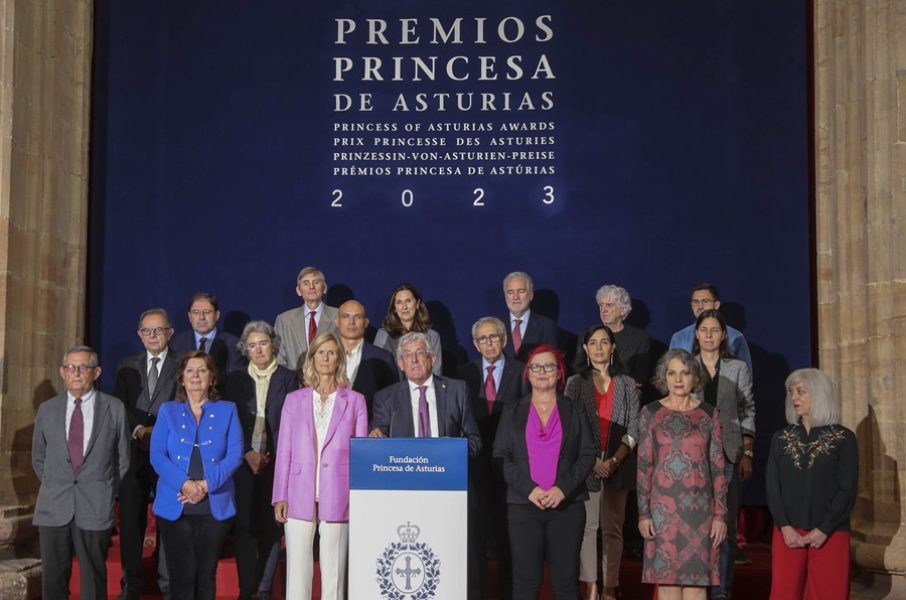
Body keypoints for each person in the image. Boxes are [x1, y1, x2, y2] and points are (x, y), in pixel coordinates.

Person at [493, 344, 596, 599]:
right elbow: (500, 457)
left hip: (567, 508)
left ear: (559, 372)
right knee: (525, 583)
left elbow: (587, 454)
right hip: (523, 507)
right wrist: (530, 490)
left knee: (565, 583)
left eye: (549, 366)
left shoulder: (574, 409)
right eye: (535, 367)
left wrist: (562, 488)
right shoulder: (512, 410)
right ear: (527, 373)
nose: (542, 371)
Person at [272, 332, 368, 600]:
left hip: (339, 493)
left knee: (334, 572)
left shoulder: (355, 400)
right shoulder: (294, 400)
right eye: (320, 352)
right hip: (297, 492)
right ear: (311, 358)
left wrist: (357, 497)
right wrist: (280, 494)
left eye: (332, 352)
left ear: (339, 359)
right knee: (298, 570)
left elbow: (360, 453)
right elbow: (284, 451)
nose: (326, 358)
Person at [32, 345, 130, 600]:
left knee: (93, 579)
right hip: (53, 507)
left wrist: (105, 490)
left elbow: (122, 460)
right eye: (70, 367)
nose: (76, 372)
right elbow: (39, 458)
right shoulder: (46, 410)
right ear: (62, 372)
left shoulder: (114, 408)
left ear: (96, 372)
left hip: (95, 504)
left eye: (83, 367)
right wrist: (57, 484)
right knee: (53, 580)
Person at [150, 351, 244, 600]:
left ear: (212, 377)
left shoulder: (228, 410)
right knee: (180, 576)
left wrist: (204, 484)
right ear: (181, 378)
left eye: (202, 370)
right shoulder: (167, 411)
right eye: (190, 370)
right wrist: (185, 484)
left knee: (205, 575)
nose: (195, 375)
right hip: (175, 505)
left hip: (213, 507)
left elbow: (235, 455)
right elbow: (157, 455)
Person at [637, 349, 727, 600]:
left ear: (694, 377)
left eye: (685, 373)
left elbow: (718, 468)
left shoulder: (709, 414)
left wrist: (720, 515)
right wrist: (643, 514)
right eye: (672, 373)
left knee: (697, 585)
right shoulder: (650, 413)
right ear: (663, 377)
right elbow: (644, 467)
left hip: (701, 513)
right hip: (662, 512)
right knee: (667, 583)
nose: (678, 379)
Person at [222, 321, 299, 600]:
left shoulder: (290, 379)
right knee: (244, 528)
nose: (258, 349)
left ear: (273, 345)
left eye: (263, 343)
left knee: (270, 528)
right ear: (246, 349)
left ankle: (264, 589)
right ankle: (246, 590)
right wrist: (247, 453)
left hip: (277, 464)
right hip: (242, 463)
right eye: (252, 345)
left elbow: (294, 424)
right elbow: (228, 423)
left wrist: (269, 457)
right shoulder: (234, 379)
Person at [765, 368, 857, 600]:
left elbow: (847, 488)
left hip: (831, 532)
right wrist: (784, 527)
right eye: (791, 392)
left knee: (829, 594)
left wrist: (824, 528)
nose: (793, 397)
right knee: (784, 593)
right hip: (788, 533)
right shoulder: (781, 438)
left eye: (801, 391)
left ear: (819, 394)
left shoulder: (844, 438)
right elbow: (772, 486)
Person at [565, 325, 640, 600]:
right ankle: (590, 585)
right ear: (585, 349)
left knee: (613, 529)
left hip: (618, 467)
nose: (598, 347)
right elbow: (570, 428)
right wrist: (593, 461)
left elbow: (634, 429)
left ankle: (610, 586)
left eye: (604, 342)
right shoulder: (575, 383)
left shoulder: (627, 384)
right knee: (588, 528)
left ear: (613, 347)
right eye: (593, 343)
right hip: (586, 468)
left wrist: (614, 461)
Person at [458, 316, 526, 600]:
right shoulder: (463, 373)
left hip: (510, 467)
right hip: (473, 466)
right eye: (482, 338)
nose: (488, 343)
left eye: (494, 337)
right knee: (474, 539)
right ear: (475, 344)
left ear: (504, 339)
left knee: (507, 538)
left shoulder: (521, 371)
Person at [113, 309, 179, 599]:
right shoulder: (127, 365)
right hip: (133, 454)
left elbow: (184, 403)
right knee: (130, 522)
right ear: (139, 334)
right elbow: (119, 405)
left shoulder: (182, 364)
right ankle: (132, 585)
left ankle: (168, 585)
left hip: (169, 453)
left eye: (158, 330)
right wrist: (140, 428)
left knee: (167, 518)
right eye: (147, 331)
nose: (152, 336)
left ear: (170, 332)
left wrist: (159, 432)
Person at [692, 309, 756, 600]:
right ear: (696, 334)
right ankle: (699, 588)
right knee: (697, 527)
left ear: (723, 335)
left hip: (730, 454)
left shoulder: (738, 368)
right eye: (703, 329)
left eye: (714, 330)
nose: (708, 335)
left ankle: (721, 593)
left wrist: (747, 451)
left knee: (725, 528)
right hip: (695, 458)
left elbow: (747, 410)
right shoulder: (686, 367)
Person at [369, 331, 481, 458]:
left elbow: (474, 440)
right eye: (407, 355)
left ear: (432, 359)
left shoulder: (457, 390)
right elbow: (378, 437)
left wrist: (454, 451)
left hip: (446, 470)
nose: (414, 360)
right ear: (400, 364)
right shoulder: (385, 398)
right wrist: (377, 436)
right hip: (406, 472)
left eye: (420, 353)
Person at [576, 285, 651, 387]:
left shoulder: (640, 338)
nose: (603, 310)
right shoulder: (586, 336)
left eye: (609, 305)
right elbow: (579, 370)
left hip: (625, 395)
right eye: (601, 305)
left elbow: (640, 377)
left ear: (623, 310)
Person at [334, 299, 398, 419]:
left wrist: (378, 428)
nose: (351, 322)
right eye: (346, 316)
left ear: (366, 322)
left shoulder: (383, 358)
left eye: (357, 317)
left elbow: (392, 401)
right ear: (337, 322)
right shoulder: (323, 356)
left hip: (368, 430)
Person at [669, 283, 753, 373]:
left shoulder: (736, 337)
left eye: (705, 301)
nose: (700, 306)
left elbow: (746, 376)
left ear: (716, 305)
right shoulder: (679, 338)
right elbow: (671, 373)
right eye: (695, 302)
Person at [274, 266, 339, 370]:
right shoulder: (284, 320)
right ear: (299, 291)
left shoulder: (339, 316)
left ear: (325, 288)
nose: (311, 287)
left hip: (331, 383)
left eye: (316, 282)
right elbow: (279, 360)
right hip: (296, 384)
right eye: (306, 283)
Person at [373, 283, 443, 376]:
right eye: (399, 302)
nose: (404, 307)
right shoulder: (383, 335)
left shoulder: (432, 336)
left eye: (408, 301)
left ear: (417, 304)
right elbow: (377, 370)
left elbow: (436, 373)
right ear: (394, 308)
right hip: (391, 388)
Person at [171, 292, 244, 378]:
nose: (201, 317)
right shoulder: (178, 343)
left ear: (217, 315)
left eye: (207, 312)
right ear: (190, 316)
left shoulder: (232, 344)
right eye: (196, 312)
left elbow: (234, 381)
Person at [501, 271, 558, 361]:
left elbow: (552, 361)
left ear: (531, 295)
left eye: (521, 291)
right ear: (505, 297)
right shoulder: (496, 325)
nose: (516, 297)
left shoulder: (546, 326)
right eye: (510, 292)